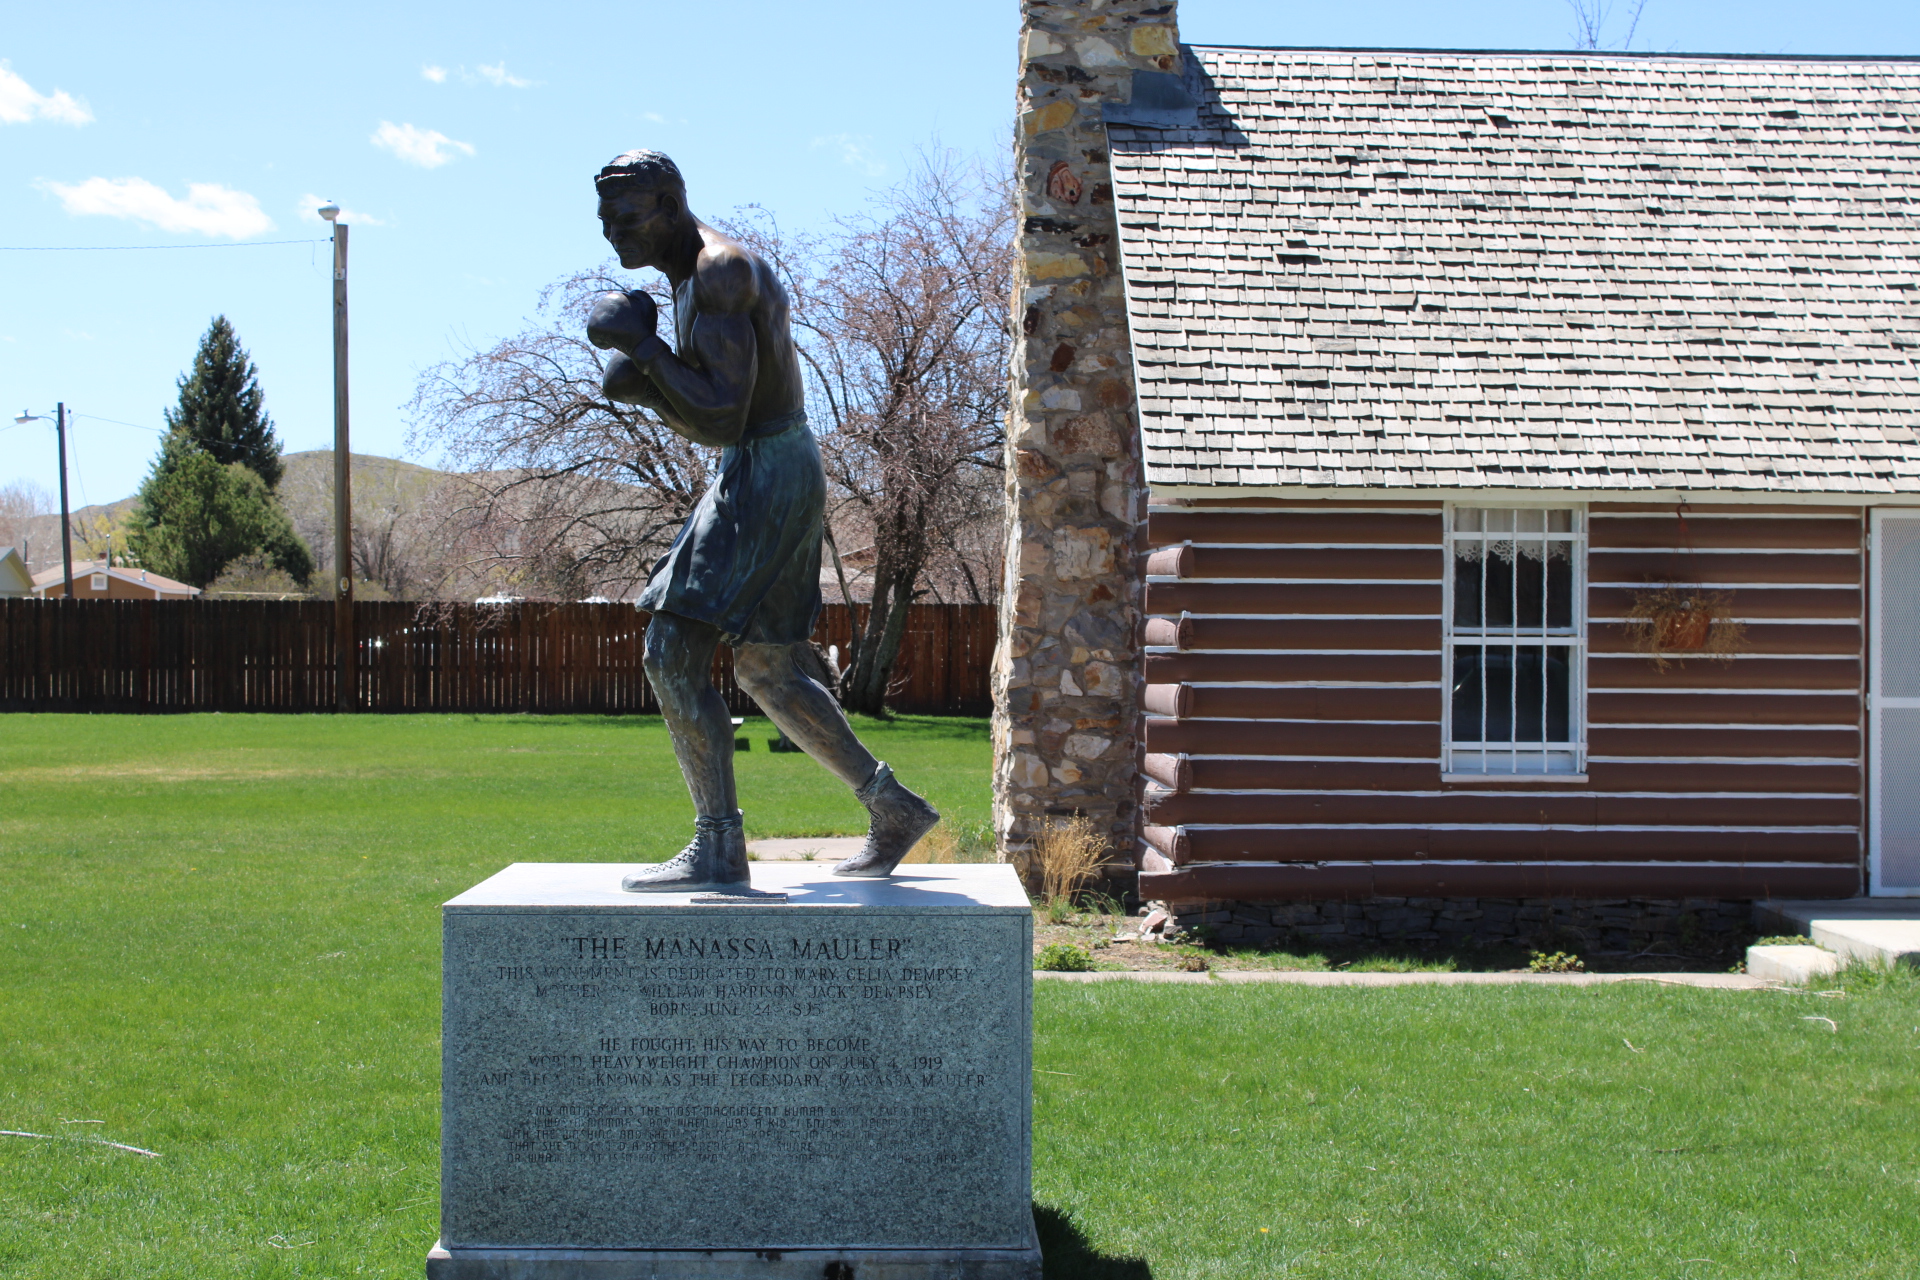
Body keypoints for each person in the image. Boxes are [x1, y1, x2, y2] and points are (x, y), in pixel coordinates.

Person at [586, 149, 938, 892]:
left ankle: (717, 846)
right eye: (604, 218)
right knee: (767, 666)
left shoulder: (720, 273)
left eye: (627, 216)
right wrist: (649, 380)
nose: (612, 233)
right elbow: (718, 409)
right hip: (765, 465)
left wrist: (645, 355)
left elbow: (721, 415)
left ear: (671, 202)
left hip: (766, 469)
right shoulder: (686, 280)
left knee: (671, 651)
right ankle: (893, 807)